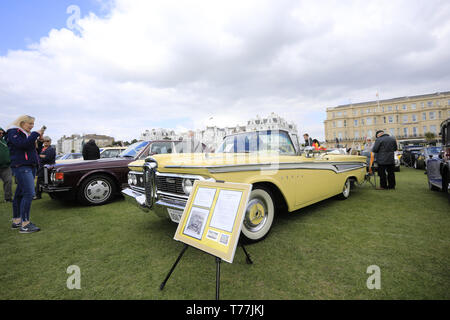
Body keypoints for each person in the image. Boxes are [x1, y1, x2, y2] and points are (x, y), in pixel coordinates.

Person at [6, 115, 45, 233]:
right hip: (22, 166)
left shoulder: (25, 134)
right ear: (22, 123)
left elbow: (32, 150)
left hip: (29, 166)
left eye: (33, 124)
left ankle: (17, 221)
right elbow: (21, 145)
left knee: (19, 193)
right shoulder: (13, 131)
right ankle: (25, 224)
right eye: (30, 124)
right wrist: (34, 135)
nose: (32, 126)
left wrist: (39, 141)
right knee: (29, 193)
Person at [0, 127, 13, 202]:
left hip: (6, 166)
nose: (1, 134)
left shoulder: (5, 141)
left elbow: (8, 134)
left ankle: (8, 198)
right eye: (0, 133)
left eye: (2, 133)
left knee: (8, 181)